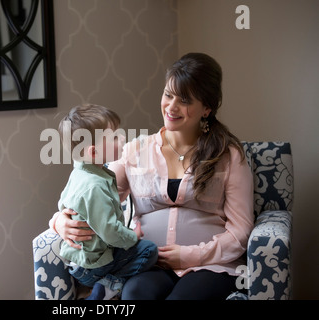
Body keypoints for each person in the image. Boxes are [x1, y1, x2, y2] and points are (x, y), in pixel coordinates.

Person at [50, 53, 255, 300]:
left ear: (206, 109)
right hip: (149, 264)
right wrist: (59, 221)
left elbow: (241, 230)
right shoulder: (135, 151)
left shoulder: (229, 156)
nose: (171, 106)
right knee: (135, 294)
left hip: (210, 267)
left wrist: (191, 255)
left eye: (185, 100)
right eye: (168, 95)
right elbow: (91, 194)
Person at [53, 104, 158, 300]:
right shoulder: (95, 187)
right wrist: (132, 236)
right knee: (149, 251)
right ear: (93, 152)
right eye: (115, 137)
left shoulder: (80, 172)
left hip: (80, 260)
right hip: (93, 265)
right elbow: (110, 232)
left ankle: (104, 286)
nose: (123, 139)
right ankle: (108, 286)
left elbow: (62, 203)